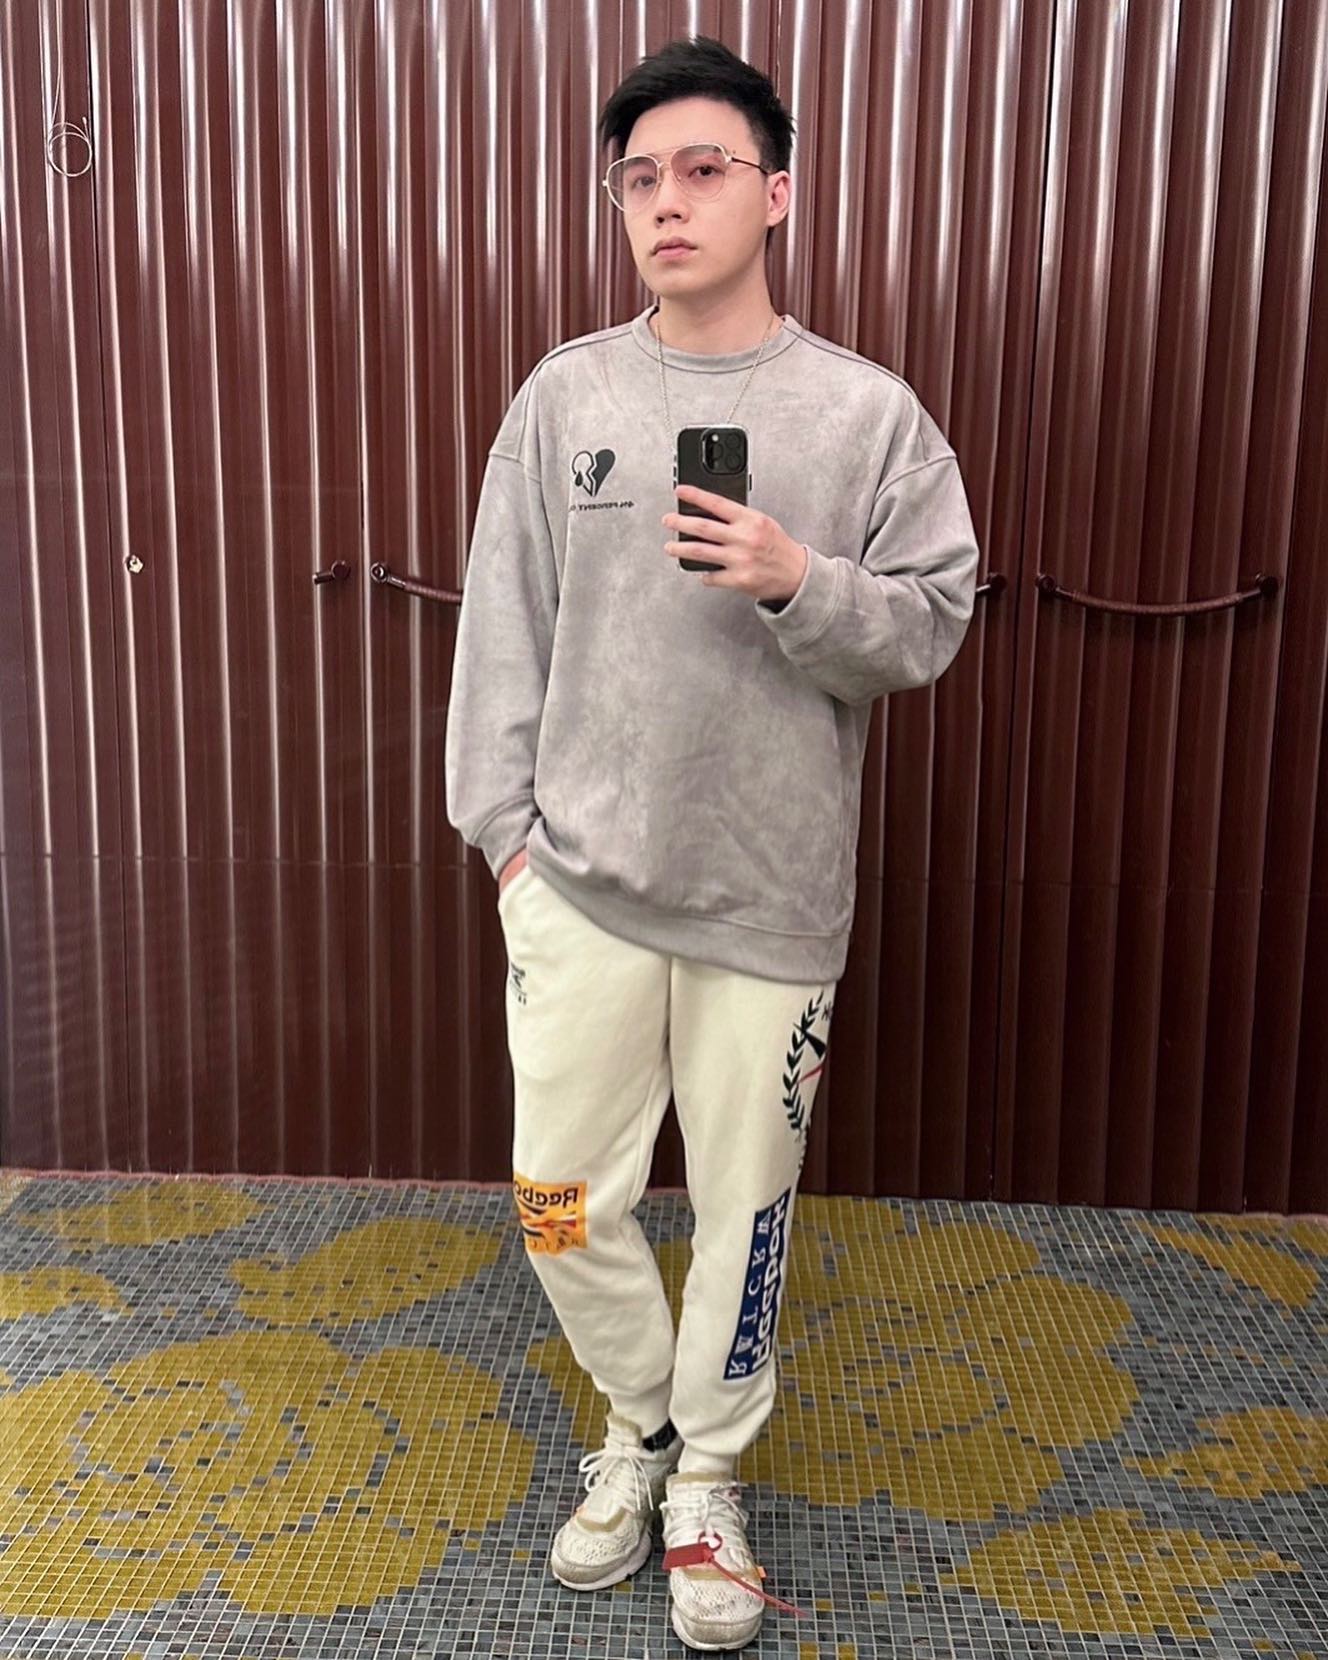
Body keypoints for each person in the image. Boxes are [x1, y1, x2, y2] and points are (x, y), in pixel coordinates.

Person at [443, 32, 980, 1653]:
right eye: (637, 179)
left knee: (748, 1220)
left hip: (769, 901)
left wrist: (798, 579)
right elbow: (501, 633)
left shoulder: (869, 417)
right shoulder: (568, 397)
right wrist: (507, 848)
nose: (665, 203)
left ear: (778, 193)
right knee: (557, 1199)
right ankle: (638, 1420)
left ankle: (705, 1481)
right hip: (580, 894)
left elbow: (934, 621)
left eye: (702, 169)